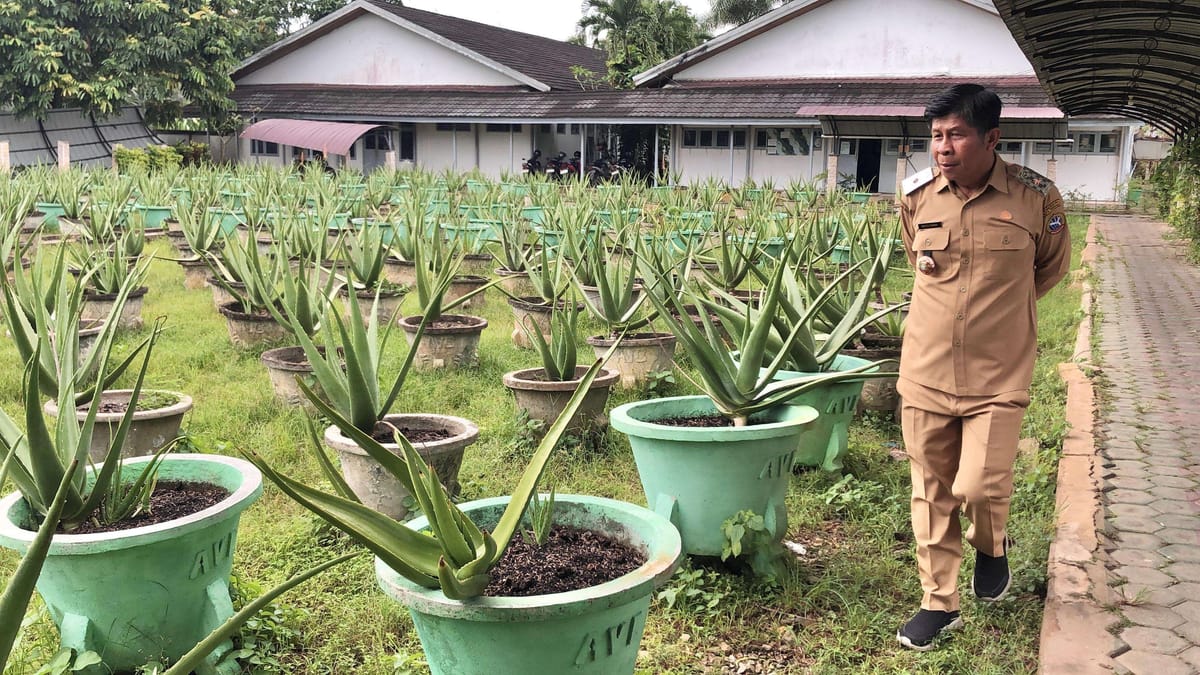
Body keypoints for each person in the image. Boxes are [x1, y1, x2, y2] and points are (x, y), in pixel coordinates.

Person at [894, 83, 1072, 651]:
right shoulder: (916, 196)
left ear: (992, 137)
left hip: (999, 375)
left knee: (980, 485)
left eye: (956, 135)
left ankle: (991, 547)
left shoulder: (1035, 198)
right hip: (925, 369)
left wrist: (998, 314)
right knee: (931, 488)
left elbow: (1048, 269)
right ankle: (938, 602)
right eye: (936, 136)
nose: (943, 148)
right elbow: (915, 260)